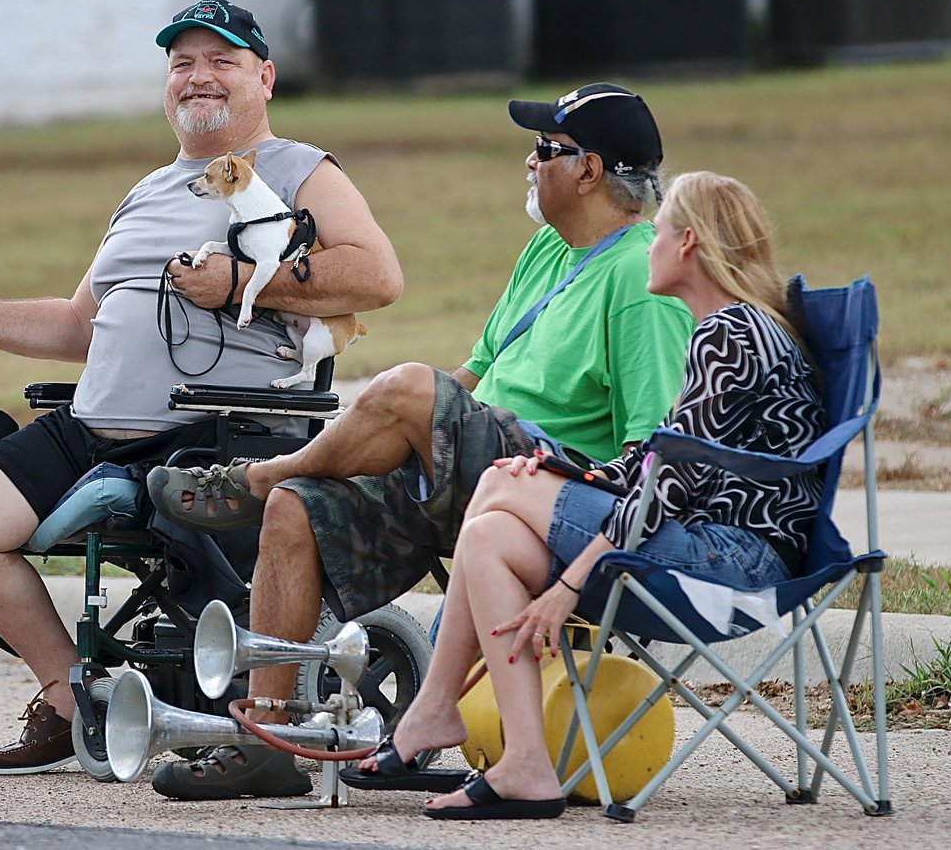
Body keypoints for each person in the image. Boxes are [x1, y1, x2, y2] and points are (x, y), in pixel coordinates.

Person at [144, 83, 696, 799]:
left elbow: (648, 451)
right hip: (473, 467)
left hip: (555, 490)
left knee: (406, 387)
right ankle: (268, 741)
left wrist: (413, 406)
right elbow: (472, 376)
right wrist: (394, 430)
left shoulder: (639, 279)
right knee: (298, 508)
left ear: (589, 171)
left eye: (543, 152)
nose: (528, 165)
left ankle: (256, 477)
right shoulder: (546, 252)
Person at [0, 0, 402, 776]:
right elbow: (79, 327)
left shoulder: (300, 169)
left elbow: (377, 275)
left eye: (221, 62)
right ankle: (73, 699)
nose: (198, 78)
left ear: (263, 78)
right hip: (94, 427)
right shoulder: (147, 191)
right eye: (182, 64)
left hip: (216, 430)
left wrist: (242, 280)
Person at [352, 170, 827, 820]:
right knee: (491, 529)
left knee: (498, 481)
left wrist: (569, 583)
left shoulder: (729, 334)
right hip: (707, 548)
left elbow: (667, 484)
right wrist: (562, 471)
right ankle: (524, 765)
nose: (645, 246)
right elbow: (663, 468)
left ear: (687, 245)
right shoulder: (738, 327)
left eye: (656, 234)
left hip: (733, 566)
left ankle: (436, 711)